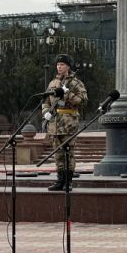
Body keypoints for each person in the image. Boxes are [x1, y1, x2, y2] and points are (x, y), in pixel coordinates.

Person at [41, 54, 87, 192]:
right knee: (58, 153)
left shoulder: (75, 83)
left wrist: (68, 94)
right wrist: (46, 112)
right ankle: (60, 180)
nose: (59, 67)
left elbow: (83, 100)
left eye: (62, 64)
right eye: (58, 64)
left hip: (69, 122)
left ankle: (68, 181)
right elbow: (46, 101)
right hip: (55, 123)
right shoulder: (52, 83)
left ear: (67, 67)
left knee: (68, 152)